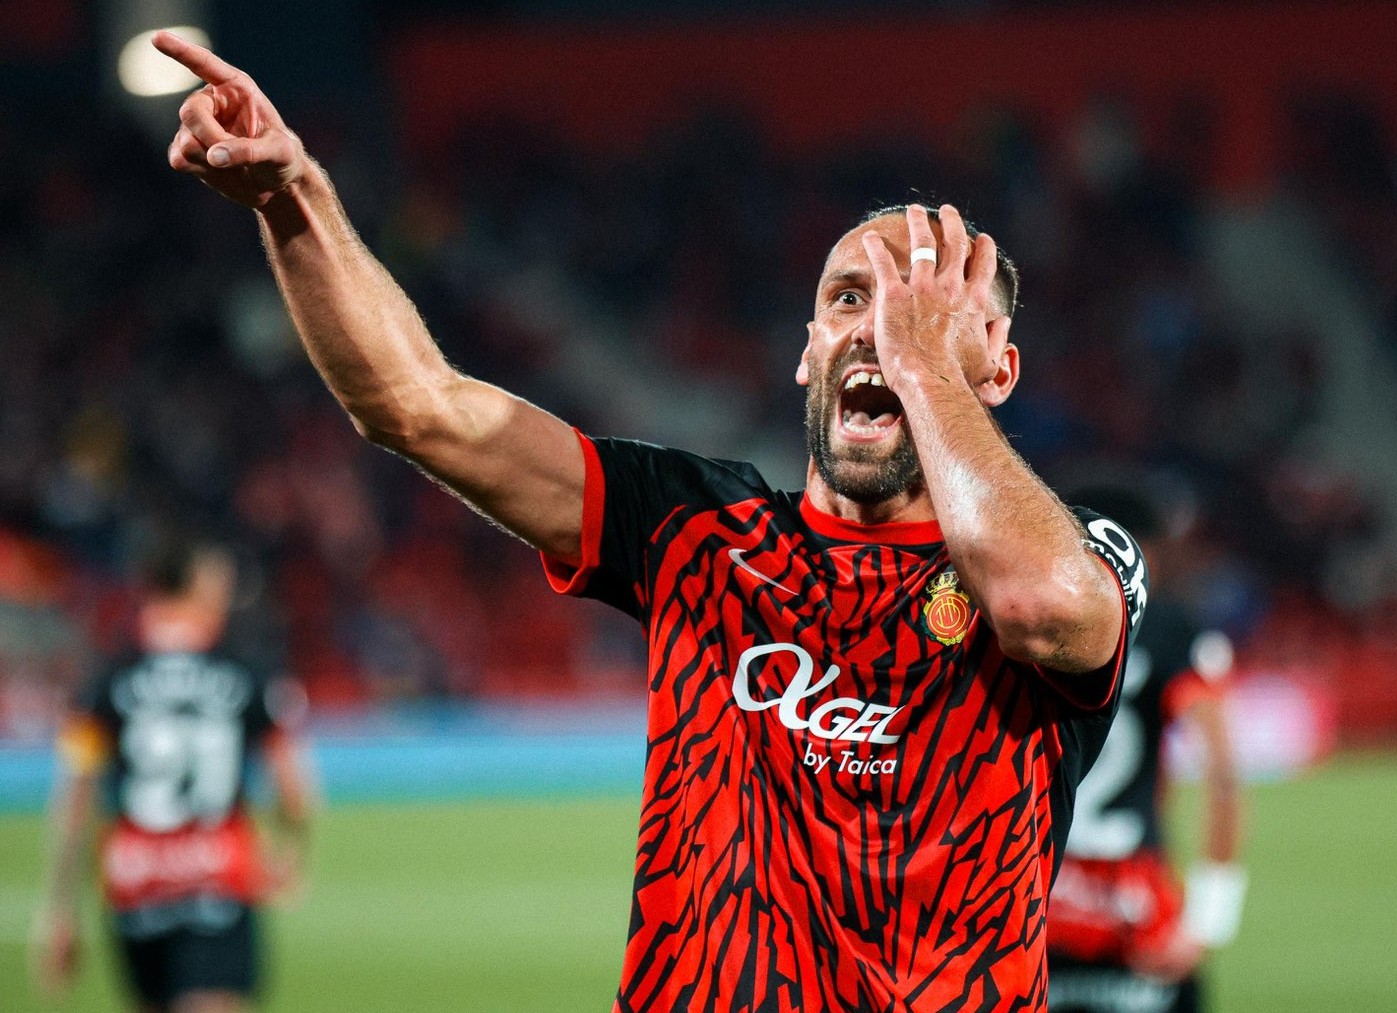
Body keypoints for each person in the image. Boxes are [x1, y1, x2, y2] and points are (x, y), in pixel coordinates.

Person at [151, 32, 1146, 1011]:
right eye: (853, 298)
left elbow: (1039, 605)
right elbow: (418, 406)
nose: (881, 326)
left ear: (999, 369)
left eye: (924, 308)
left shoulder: (1083, 549)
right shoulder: (691, 524)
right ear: (807, 353)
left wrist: (920, 362)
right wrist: (293, 197)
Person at [33, 537, 314, 1012]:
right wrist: (292, 849)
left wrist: (59, 909)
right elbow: (294, 787)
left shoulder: (107, 679)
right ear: (196, 589)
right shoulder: (245, 672)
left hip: (135, 881)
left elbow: (74, 795)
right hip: (215, 875)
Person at [1047, 488, 1244, 1013]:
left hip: (1038, 902)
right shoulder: (1172, 627)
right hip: (1137, 907)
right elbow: (1223, 770)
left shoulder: (1023, 618)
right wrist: (1210, 919)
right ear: (1141, 549)